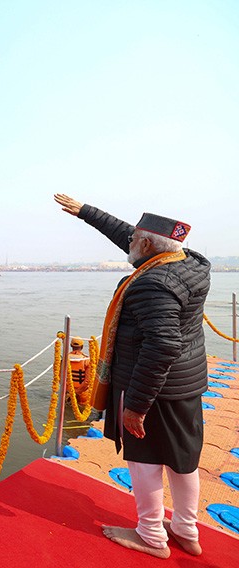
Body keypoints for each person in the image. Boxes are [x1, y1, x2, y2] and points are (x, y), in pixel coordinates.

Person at [53, 194, 210, 559]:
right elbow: (133, 235)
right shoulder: (190, 263)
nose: (129, 242)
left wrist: (136, 406)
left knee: (145, 461)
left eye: (135, 240)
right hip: (185, 385)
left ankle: (151, 535)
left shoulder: (152, 283)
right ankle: (185, 529)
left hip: (151, 388)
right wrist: (88, 213)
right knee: (183, 460)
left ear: (148, 246)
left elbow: (162, 345)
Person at [68, 337, 91, 405]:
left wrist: (69, 390)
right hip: (82, 392)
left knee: (66, 408)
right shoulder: (86, 360)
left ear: (71, 345)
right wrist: (77, 392)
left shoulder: (65, 359)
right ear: (82, 347)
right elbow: (87, 380)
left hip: (68, 391)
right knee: (82, 409)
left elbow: (60, 377)